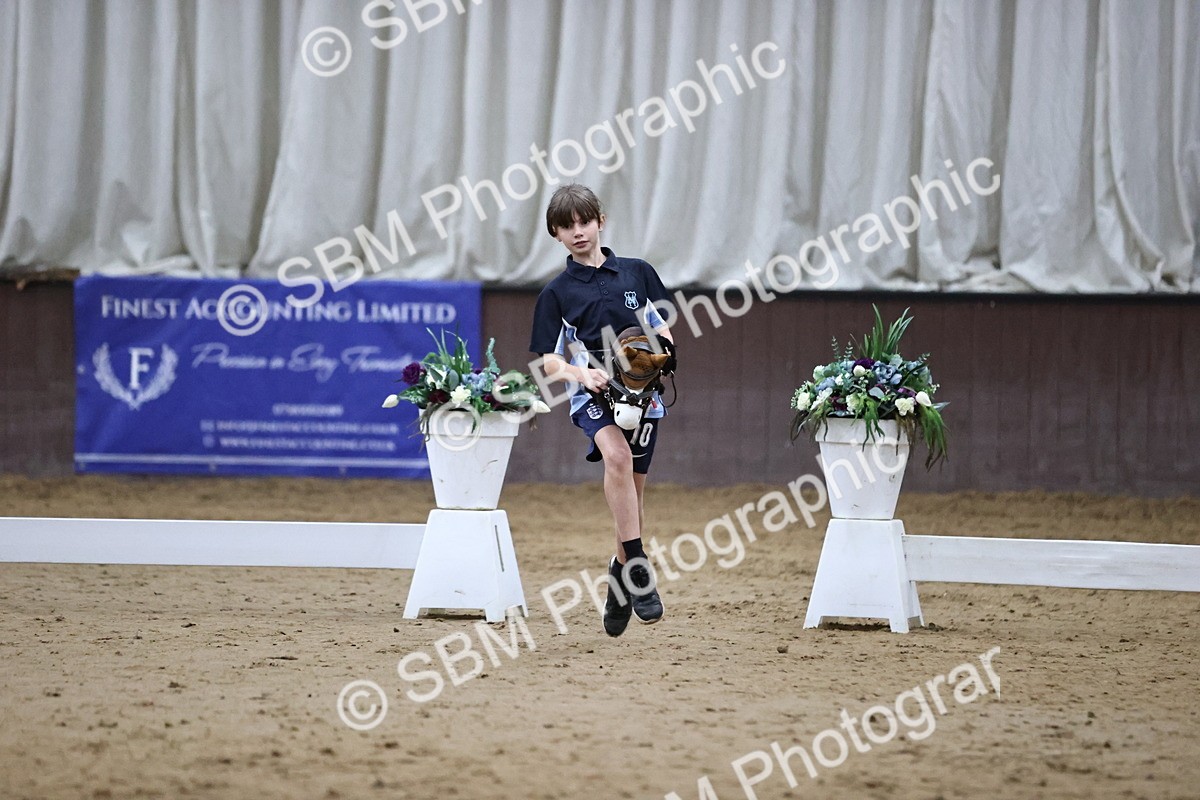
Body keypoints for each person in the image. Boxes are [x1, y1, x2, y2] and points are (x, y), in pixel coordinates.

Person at [528, 184, 677, 637]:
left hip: (643, 394)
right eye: (567, 226)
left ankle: (618, 575)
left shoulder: (638, 272)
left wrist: (663, 353)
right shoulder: (556, 293)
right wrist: (581, 374)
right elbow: (546, 362)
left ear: (600, 222)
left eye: (584, 221)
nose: (578, 231)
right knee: (616, 457)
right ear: (555, 234)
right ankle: (640, 571)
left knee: (633, 495)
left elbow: (663, 325)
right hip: (592, 394)